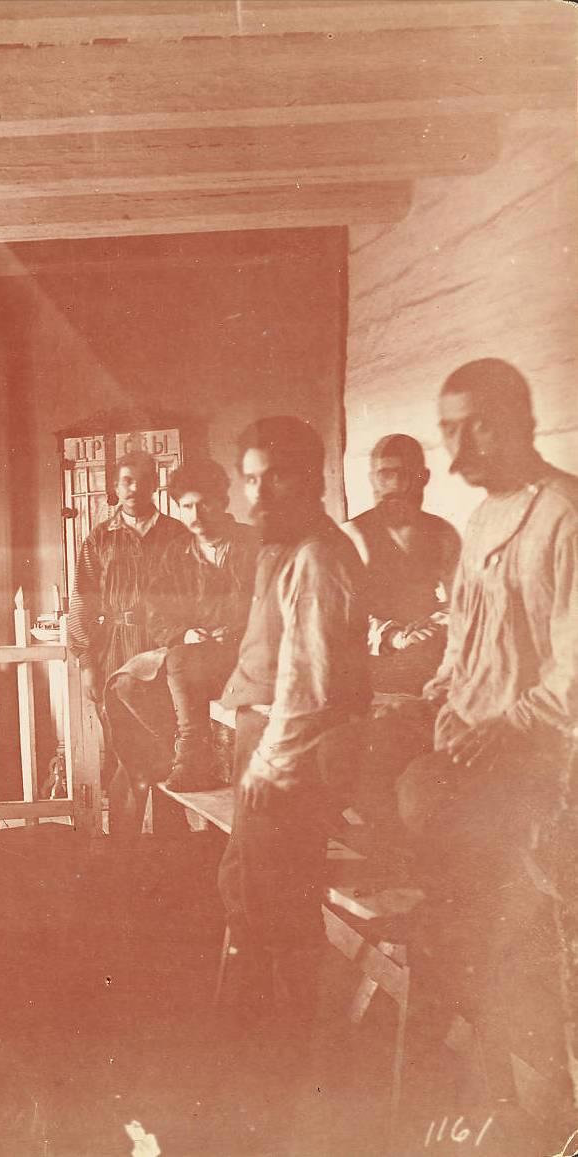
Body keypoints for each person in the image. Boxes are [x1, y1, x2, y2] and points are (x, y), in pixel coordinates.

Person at [395, 360, 577, 1021]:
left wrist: (507, 725)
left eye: (479, 427)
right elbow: (464, 633)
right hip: (468, 724)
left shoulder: (563, 513)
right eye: (449, 429)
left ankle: (468, 964)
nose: (460, 444)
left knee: (423, 794)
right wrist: (438, 692)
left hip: (537, 744)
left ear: (521, 422)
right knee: (343, 752)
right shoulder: (477, 520)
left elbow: (572, 672)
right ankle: (441, 920)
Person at [215, 416, 369, 1134]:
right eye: (249, 477)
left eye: (273, 476)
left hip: (291, 756)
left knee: (277, 909)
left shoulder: (317, 556)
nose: (257, 492)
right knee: (248, 890)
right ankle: (259, 1063)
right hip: (265, 742)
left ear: (309, 478)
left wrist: (269, 763)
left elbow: (310, 682)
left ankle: (284, 1081)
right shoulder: (278, 551)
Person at [105, 459, 260, 823]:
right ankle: (185, 748)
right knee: (127, 684)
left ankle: (193, 753)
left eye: (205, 504)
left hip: (249, 652)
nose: (196, 515)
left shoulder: (253, 544)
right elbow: (157, 612)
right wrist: (186, 633)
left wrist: (234, 630)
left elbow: (274, 606)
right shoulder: (177, 552)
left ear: (223, 502)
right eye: (187, 506)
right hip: (196, 655)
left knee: (179, 661)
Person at [66, 450, 193, 836]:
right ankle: (124, 846)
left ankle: (172, 841)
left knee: (167, 743)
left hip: (166, 650)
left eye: (142, 480)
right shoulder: (100, 538)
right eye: (126, 481)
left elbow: (193, 594)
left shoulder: (177, 534)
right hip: (116, 651)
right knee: (125, 749)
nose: (134, 488)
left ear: (155, 484)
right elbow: (82, 600)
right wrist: (87, 663)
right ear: (115, 487)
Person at [342, 434, 461, 696]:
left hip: (432, 656)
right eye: (385, 474)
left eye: (405, 474)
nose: (395, 484)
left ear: (423, 477)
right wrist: (394, 637)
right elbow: (338, 617)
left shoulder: (443, 533)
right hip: (372, 664)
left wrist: (434, 624)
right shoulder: (351, 536)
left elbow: (463, 604)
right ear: (373, 479)